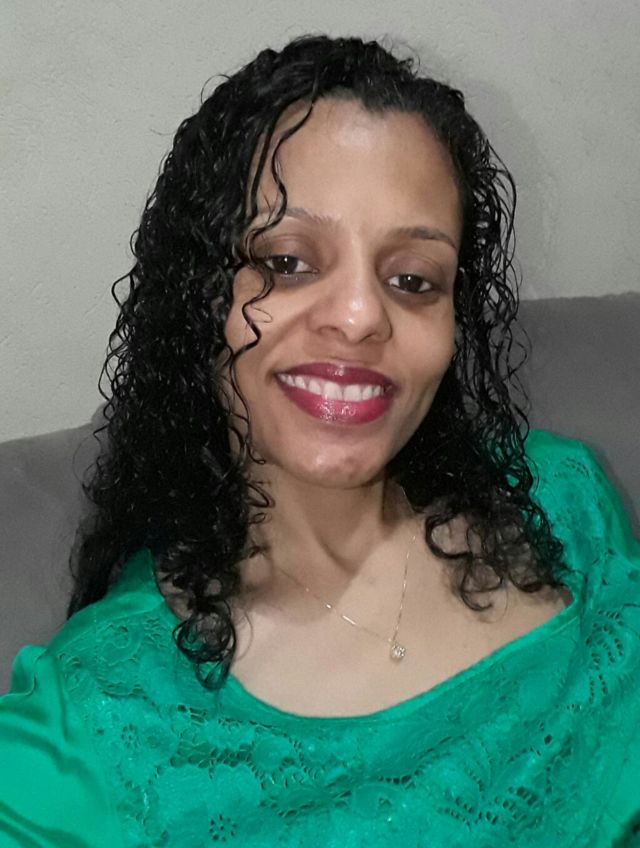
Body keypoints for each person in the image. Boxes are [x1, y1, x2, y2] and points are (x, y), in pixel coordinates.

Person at [1, 33, 639, 847]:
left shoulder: (564, 504)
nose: (363, 315)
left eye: (412, 279)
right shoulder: (98, 722)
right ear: (200, 300)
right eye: (290, 262)